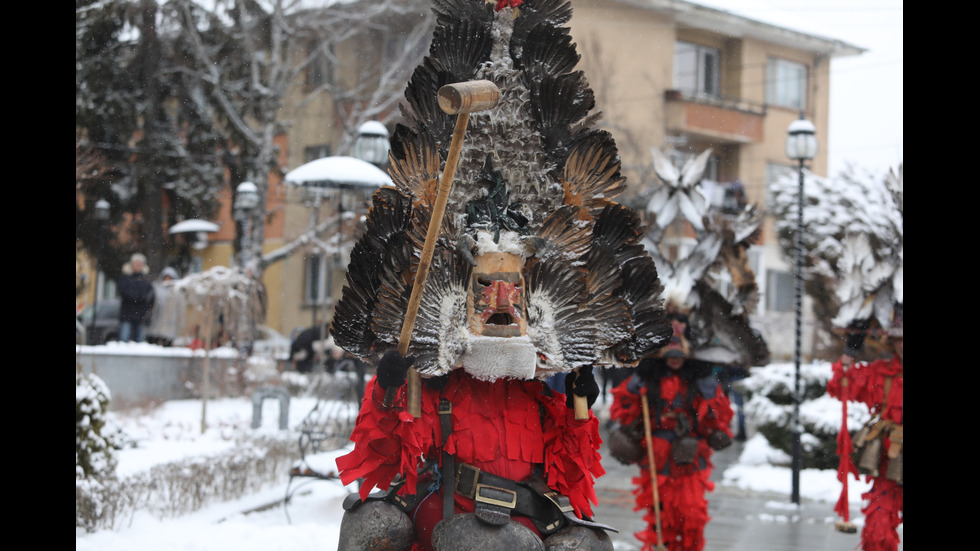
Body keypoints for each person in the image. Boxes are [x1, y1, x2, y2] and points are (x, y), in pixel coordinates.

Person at [608, 334, 734, 551]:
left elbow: (717, 416)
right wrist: (636, 384)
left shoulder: (698, 380)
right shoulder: (650, 379)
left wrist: (708, 386)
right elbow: (624, 409)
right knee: (660, 511)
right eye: (670, 351)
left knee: (691, 511)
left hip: (690, 456)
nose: (675, 358)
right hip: (657, 455)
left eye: (679, 351)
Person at [826, 308, 903, 551]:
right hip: (888, 465)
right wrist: (849, 352)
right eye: (899, 339)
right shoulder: (881, 371)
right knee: (877, 532)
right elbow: (841, 385)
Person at [118, 253, 155, 343]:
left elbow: (150, 297)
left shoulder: (147, 280)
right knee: (123, 340)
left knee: (140, 343)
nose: (138, 266)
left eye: (140, 264)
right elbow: (124, 292)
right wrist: (138, 297)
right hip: (127, 315)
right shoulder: (125, 278)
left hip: (142, 316)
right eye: (136, 263)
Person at [147, 267, 184, 346]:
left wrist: (180, 322)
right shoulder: (156, 289)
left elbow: (181, 308)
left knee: (167, 342)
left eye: (170, 278)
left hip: (170, 322)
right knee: (154, 344)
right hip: (157, 321)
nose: (167, 280)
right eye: (166, 277)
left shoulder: (177, 292)